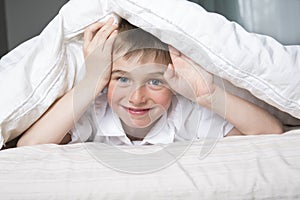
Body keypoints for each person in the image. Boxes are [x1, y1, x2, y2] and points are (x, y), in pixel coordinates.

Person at [17, 18, 283, 147]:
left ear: (173, 82)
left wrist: (210, 95)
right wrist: (90, 82)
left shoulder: (186, 112)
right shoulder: (96, 111)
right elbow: (29, 146)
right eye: (122, 78)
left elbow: (269, 131)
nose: (137, 98)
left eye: (155, 82)